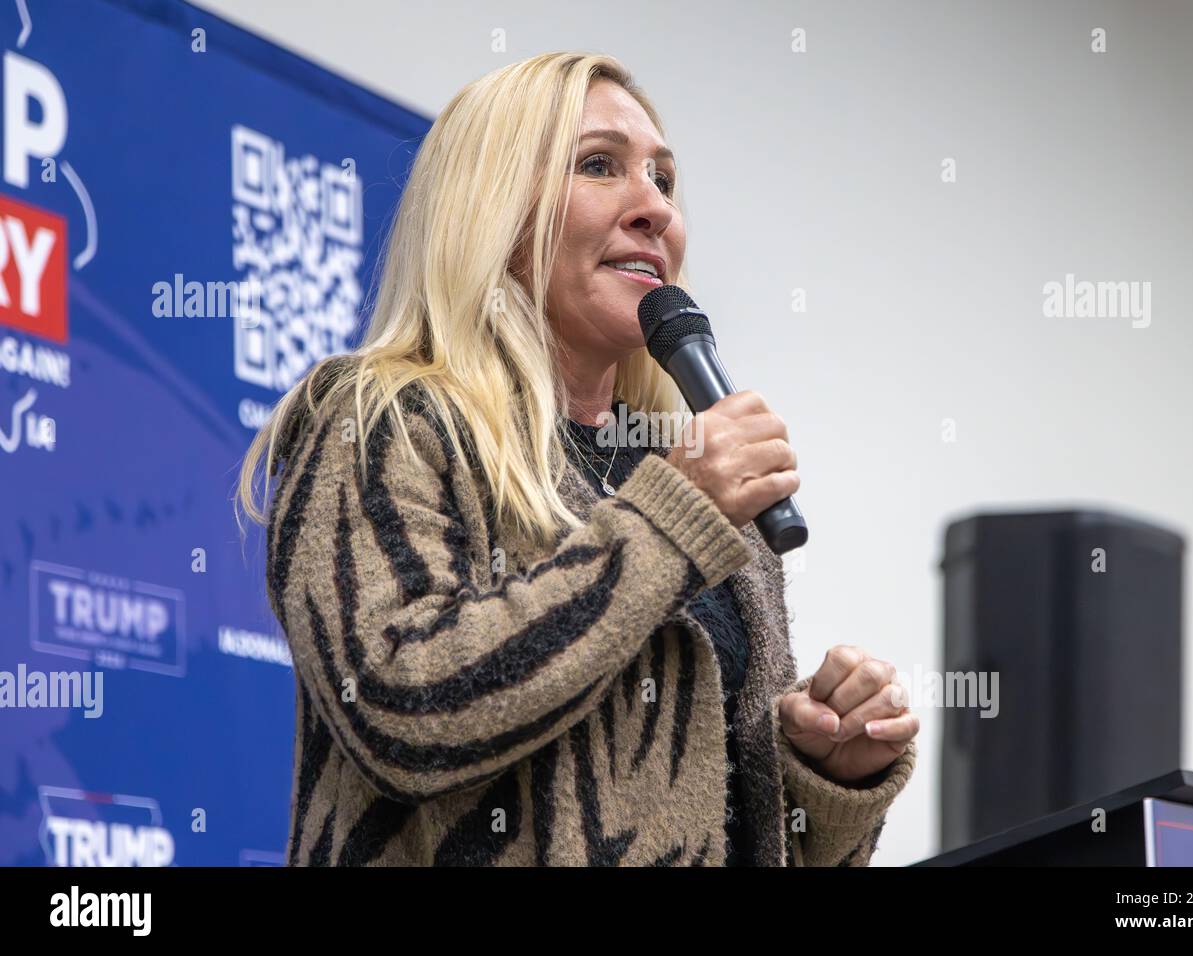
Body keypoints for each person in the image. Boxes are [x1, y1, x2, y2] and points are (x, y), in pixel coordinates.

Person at [236, 51, 917, 866]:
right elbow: (397, 709)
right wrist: (669, 522)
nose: (655, 210)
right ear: (493, 213)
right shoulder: (381, 417)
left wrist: (821, 782)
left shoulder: (682, 485)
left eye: (664, 180)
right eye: (600, 166)